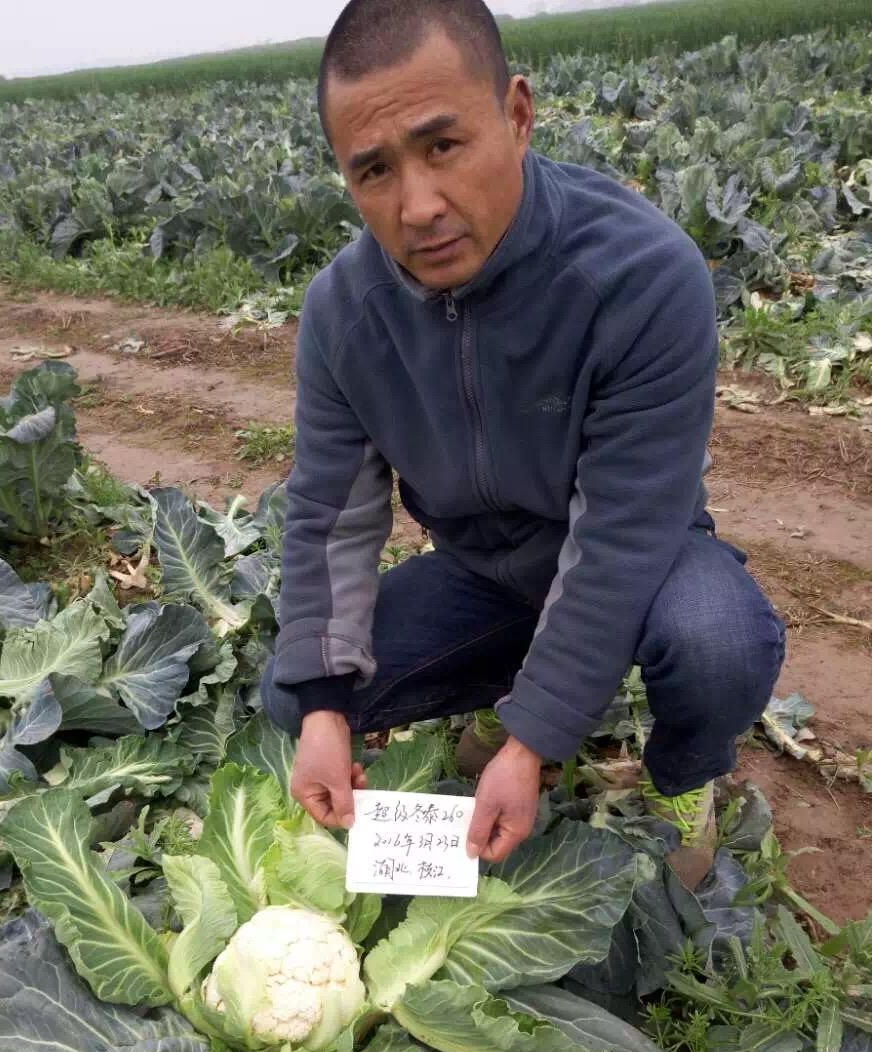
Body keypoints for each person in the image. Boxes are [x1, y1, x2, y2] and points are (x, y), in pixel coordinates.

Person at [260, 0, 786, 888]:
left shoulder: (641, 274)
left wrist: (539, 744)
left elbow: (622, 535)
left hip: (645, 560)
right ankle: (506, 700)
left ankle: (679, 778)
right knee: (298, 691)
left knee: (716, 641)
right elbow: (329, 516)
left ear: (516, 113)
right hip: (482, 573)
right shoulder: (341, 314)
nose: (418, 205)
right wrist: (322, 708)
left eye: (444, 146)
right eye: (374, 170)